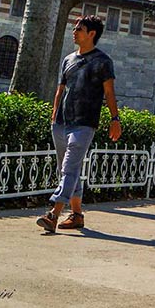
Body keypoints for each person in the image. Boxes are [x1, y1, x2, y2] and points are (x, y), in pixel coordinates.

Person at [37, 15, 121, 233]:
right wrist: (54, 114)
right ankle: (76, 215)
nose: (74, 31)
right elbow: (60, 89)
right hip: (62, 122)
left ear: (91, 34)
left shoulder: (103, 61)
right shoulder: (68, 60)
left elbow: (109, 92)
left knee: (69, 168)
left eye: (79, 29)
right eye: (74, 28)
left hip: (84, 122)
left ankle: (53, 214)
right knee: (67, 170)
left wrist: (115, 119)